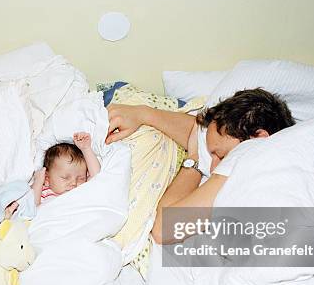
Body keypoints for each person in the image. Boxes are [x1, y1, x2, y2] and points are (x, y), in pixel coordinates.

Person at [106, 88, 295, 243]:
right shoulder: (275, 148)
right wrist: (143, 114)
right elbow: (195, 132)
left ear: (259, 138)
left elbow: (164, 228)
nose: (213, 168)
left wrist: (194, 160)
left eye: (220, 156)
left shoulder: (248, 161)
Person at [31, 132, 101, 205]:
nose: (74, 183)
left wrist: (86, 149)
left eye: (81, 178)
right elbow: (31, 207)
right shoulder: (42, 192)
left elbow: (97, 178)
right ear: (47, 179)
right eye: (65, 177)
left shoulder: (82, 190)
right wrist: (38, 183)